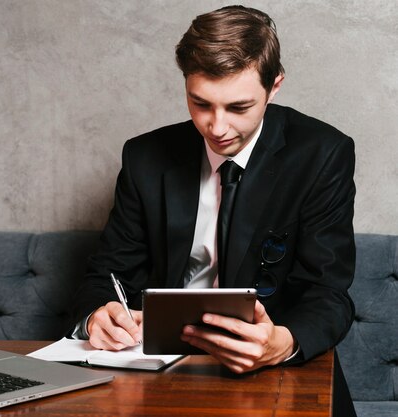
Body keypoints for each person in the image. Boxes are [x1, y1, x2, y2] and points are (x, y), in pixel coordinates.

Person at [70, 5, 356, 416]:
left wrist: (284, 342)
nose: (217, 128)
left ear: (274, 87)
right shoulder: (144, 157)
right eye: (200, 103)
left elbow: (329, 293)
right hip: (160, 373)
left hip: (275, 371)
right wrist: (98, 315)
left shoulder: (322, 154)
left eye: (238, 108)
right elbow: (105, 275)